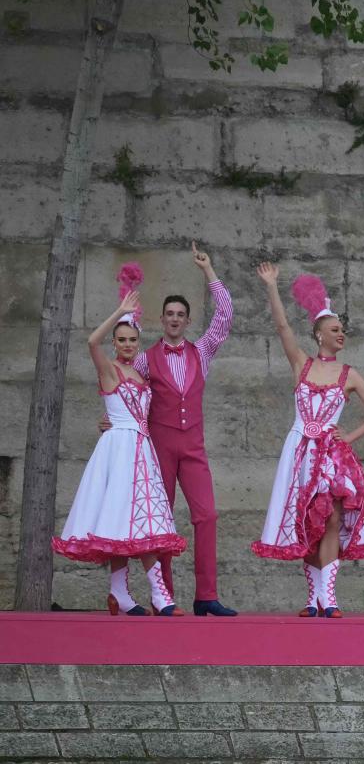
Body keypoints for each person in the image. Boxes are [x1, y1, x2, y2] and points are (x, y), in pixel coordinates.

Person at [251, 264, 364, 617]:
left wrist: (349, 437)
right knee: (307, 520)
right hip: (300, 450)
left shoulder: (349, 374)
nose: (341, 334)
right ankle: (313, 598)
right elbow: (282, 327)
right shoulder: (302, 365)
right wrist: (271, 287)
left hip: (330, 454)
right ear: (319, 335)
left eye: (342, 330)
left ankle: (329, 595)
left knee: (331, 518)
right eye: (335, 330)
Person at [54, 265, 186, 614]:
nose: (127, 345)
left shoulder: (138, 371)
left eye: (132, 340)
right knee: (127, 520)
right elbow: (90, 341)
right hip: (119, 451)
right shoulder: (109, 368)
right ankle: (158, 595)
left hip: (142, 450)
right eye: (122, 339)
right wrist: (120, 312)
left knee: (136, 523)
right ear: (115, 342)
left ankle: (121, 594)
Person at [124, 242, 236, 616]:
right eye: (169, 314)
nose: (174, 319)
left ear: (188, 321)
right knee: (163, 520)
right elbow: (123, 388)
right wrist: (112, 419)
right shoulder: (144, 359)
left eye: (180, 314)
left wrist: (208, 271)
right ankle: (165, 597)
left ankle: (206, 595)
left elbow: (225, 315)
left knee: (207, 515)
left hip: (193, 447)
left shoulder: (201, 351)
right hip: (159, 448)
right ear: (162, 319)